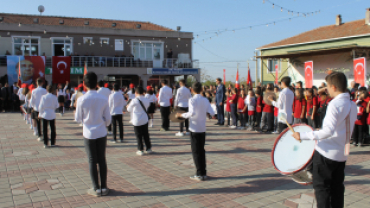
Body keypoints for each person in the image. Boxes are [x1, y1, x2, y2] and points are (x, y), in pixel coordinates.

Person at [292, 72, 357, 208]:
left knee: (322, 190)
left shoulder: (335, 104)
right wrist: (317, 132)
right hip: (341, 154)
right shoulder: (352, 104)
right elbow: (340, 128)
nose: (326, 90)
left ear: (333, 87)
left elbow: (328, 132)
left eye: (327, 86)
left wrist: (302, 136)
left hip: (326, 154)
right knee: (337, 189)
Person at [75, 72, 111, 197]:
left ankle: (96, 188)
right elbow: (108, 119)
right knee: (102, 159)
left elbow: (78, 119)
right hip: (101, 131)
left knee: (91, 160)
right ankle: (104, 187)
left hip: (88, 133)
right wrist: (103, 124)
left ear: (84, 84)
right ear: (96, 83)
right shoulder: (103, 98)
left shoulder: (81, 99)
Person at [176, 82, 215, 181]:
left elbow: (191, 113)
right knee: (201, 150)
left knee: (196, 151)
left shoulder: (192, 100)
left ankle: (199, 174)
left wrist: (181, 115)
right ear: (202, 89)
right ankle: (203, 172)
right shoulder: (205, 100)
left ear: (192, 90)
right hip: (202, 128)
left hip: (194, 128)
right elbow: (212, 112)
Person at [127, 87, 152, 156]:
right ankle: (148, 148)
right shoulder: (146, 99)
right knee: (146, 134)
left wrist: (128, 106)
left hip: (137, 120)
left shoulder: (134, 100)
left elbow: (129, 109)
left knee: (139, 135)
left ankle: (140, 149)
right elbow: (147, 106)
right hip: (145, 119)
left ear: (136, 92)